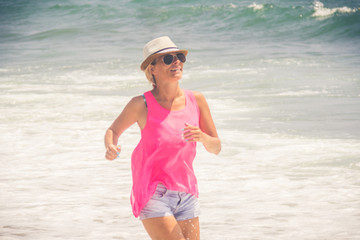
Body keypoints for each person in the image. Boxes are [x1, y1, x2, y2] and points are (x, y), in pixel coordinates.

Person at [104, 36, 221, 240]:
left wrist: (202, 137)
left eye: (179, 57)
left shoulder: (197, 100)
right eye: (167, 59)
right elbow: (113, 130)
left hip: (187, 191)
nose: (176, 61)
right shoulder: (141, 105)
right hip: (153, 191)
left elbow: (216, 147)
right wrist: (110, 147)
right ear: (152, 69)